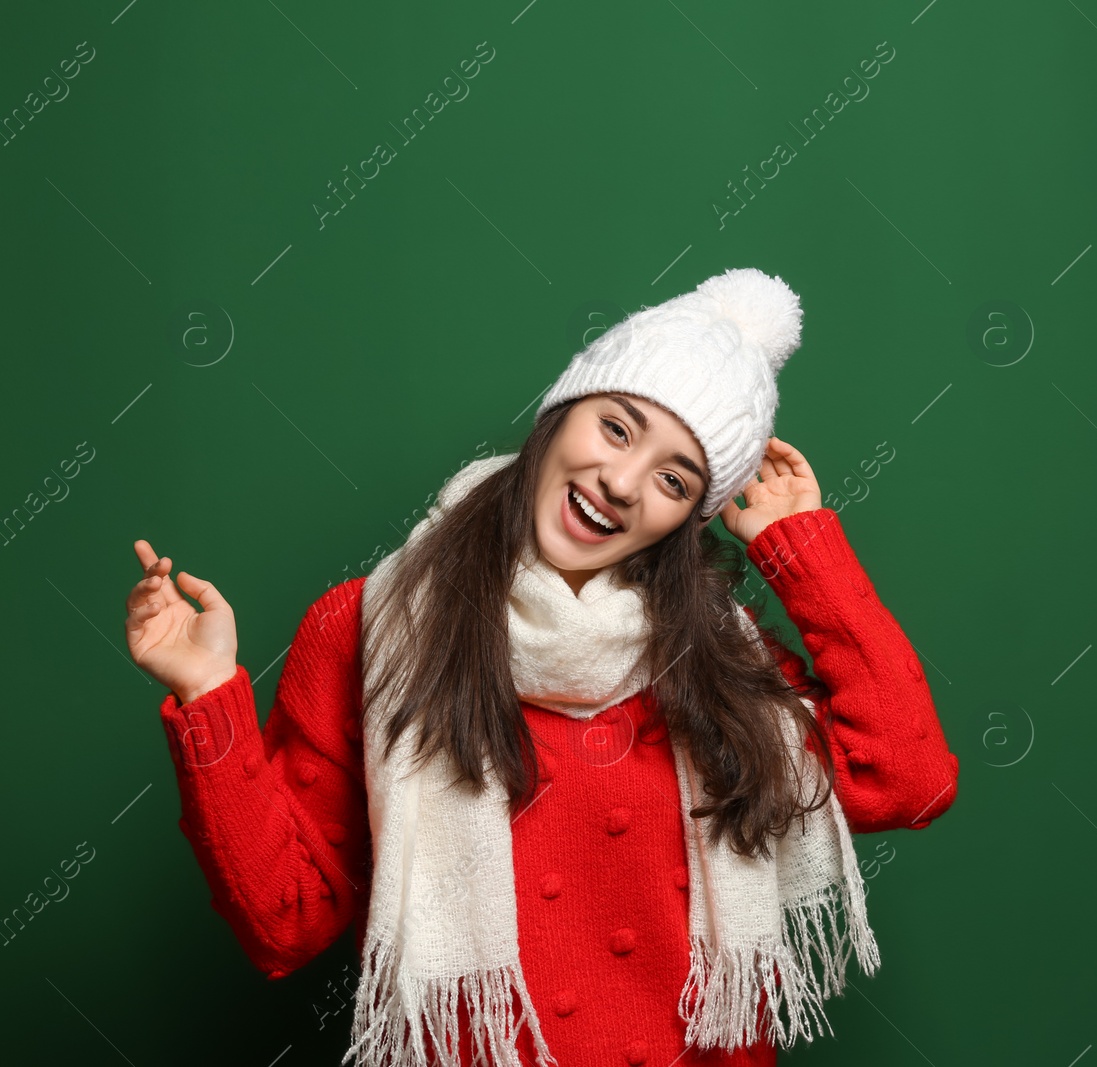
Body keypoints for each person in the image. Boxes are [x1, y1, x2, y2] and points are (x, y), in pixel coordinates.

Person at [126, 267, 959, 1067]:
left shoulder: (713, 657)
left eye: (675, 477)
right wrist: (208, 697)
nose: (622, 481)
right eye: (617, 426)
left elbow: (910, 778)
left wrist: (798, 546)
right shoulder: (366, 627)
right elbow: (287, 923)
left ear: (688, 517)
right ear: (560, 412)